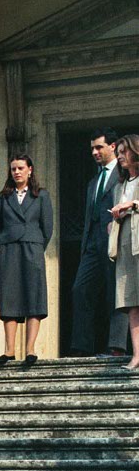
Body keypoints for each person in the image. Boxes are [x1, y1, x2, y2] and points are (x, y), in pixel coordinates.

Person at [0, 154, 53, 369]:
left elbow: (47, 228)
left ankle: (30, 349)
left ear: (30, 170)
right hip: (9, 250)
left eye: (20, 168)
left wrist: (35, 244)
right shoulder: (2, 198)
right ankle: (9, 349)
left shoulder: (41, 195)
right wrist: (7, 244)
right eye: (13, 169)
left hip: (32, 249)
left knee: (34, 296)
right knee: (9, 296)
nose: (17, 172)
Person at [70, 128, 126, 357]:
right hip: (92, 244)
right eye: (92, 148)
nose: (94, 152)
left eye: (99, 147)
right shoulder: (93, 181)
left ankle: (117, 346)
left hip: (115, 240)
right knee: (80, 289)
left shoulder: (124, 174)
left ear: (112, 146)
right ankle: (82, 347)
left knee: (116, 293)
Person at [109, 133, 139, 372]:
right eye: (118, 153)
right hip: (126, 245)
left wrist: (132, 204)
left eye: (123, 152)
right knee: (131, 301)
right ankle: (137, 354)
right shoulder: (119, 186)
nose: (119, 157)